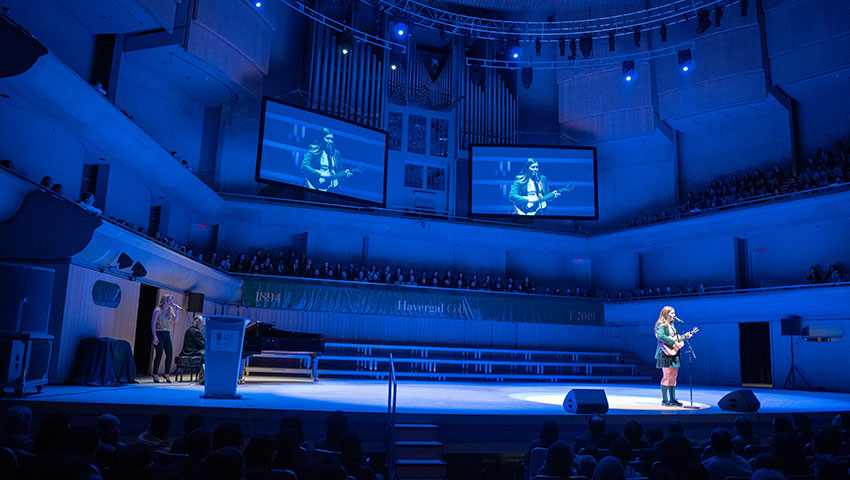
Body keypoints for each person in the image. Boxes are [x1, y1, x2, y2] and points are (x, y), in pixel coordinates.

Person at [654, 306, 694, 406]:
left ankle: (672, 399)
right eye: (671, 313)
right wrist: (673, 342)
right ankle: (664, 400)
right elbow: (661, 336)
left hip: (674, 353)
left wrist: (684, 337)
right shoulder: (661, 324)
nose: (674, 315)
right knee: (666, 376)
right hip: (665, 353)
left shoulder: (672, 325)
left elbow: (677, 339)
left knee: (674, 376)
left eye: (674, 313)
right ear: (666, 314)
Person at [151, 294, 180, 383]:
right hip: (159, 332)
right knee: (159, 354)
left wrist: (177, 311)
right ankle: (155, 374)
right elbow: (152, 323)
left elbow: (176, 320)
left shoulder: (170, 310)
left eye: (172, 300)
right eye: (170, 300)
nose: (172, 302)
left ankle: (166, 374)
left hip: (167, 333)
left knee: (170, 354)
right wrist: (154, 336)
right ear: (165, 301)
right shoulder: (157, 310)